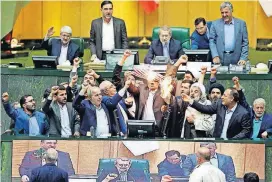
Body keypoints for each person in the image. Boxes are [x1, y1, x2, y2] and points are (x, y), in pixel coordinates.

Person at [182, 87, 252, 139]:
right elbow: (205, 108)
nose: (222, 97)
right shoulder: (219, 104)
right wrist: (191, 101)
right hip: (217, 142)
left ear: (231, 99)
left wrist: (233, 140)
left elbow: (246, 131)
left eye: (224, 95)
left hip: (233, 144)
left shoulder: (243, 113)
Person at [209, 1, 249, 66]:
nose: (224, 15)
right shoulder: (215, 24)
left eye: (226, 12)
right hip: (220, 59)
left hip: (237, 59)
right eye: (222, 13)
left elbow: (245, 42)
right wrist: (215, 55)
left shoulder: (241, 24)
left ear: (231, 11)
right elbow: (212, 41)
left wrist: (243, 58)